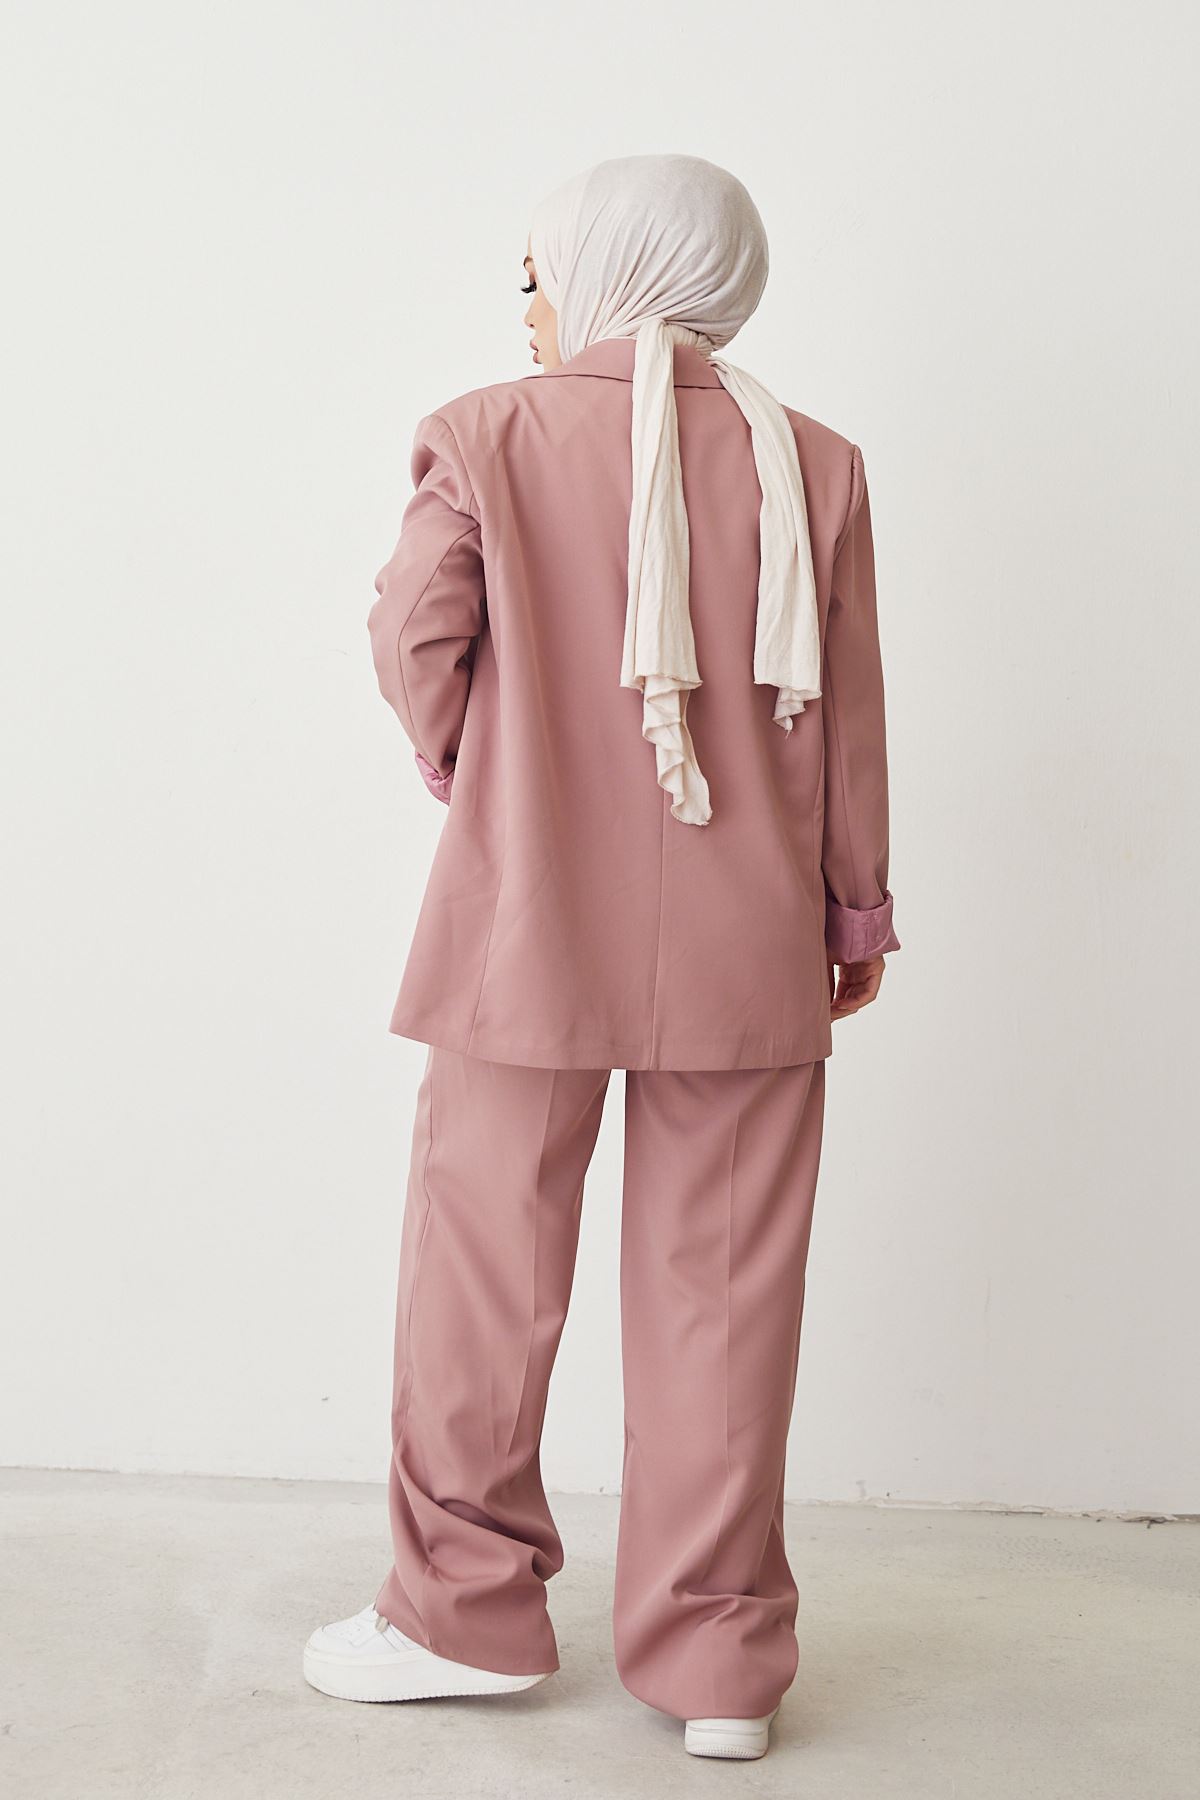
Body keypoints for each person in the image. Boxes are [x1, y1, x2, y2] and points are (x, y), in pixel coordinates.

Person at [303, 153, 900, 1763]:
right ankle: (719, 1667)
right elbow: (848, 711)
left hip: (528, 919)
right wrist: (853, 910)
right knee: (727, 1299)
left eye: (538, 271)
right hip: (748, 941)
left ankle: (462, 1614)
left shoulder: (486, 433)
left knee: (483, 1273)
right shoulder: (818, 464)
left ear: (609, 269)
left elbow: (415, 633)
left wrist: (468, 760)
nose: (528, 304)